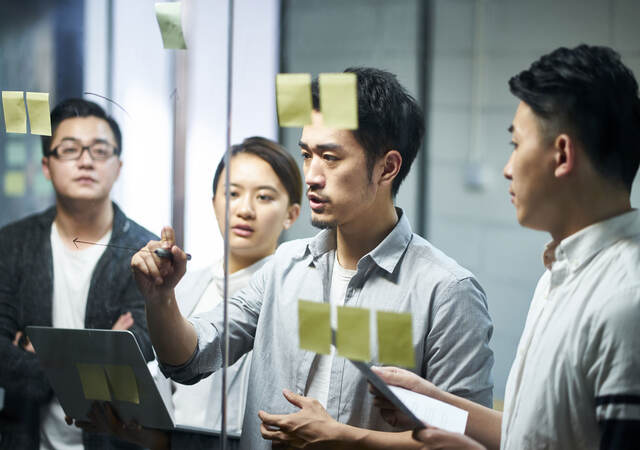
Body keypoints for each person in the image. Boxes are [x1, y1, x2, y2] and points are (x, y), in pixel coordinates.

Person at [132, 67, 495, 449]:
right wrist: (161, 299)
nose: (311, 176)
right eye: (307, 154)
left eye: (330, 158)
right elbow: (190, 358)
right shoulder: (285, 266)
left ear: (387, 167)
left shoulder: (446, 291)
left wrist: (347, 440)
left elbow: (465, 441)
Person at [372, 44, 640, 450]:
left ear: (562, 154)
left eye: (516, 145)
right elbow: (534, 433)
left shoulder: (625, 300)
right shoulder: (564, 271)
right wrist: (432, 402)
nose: (507, 168)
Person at [75, 137, 302, 449]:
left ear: (291, 214)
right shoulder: (182, 287)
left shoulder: (296, 295)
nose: (245, 209)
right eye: (232, 193)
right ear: (214, 203)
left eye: (264, 197)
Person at [0, 98, 156, 449]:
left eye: (100, 151)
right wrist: (100, 352)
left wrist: (36, 354)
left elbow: (141, 352)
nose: (86, 160)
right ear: (46, 166)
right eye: (69, 149)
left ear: (118, 166)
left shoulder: (143, 251)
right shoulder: (12, 244)